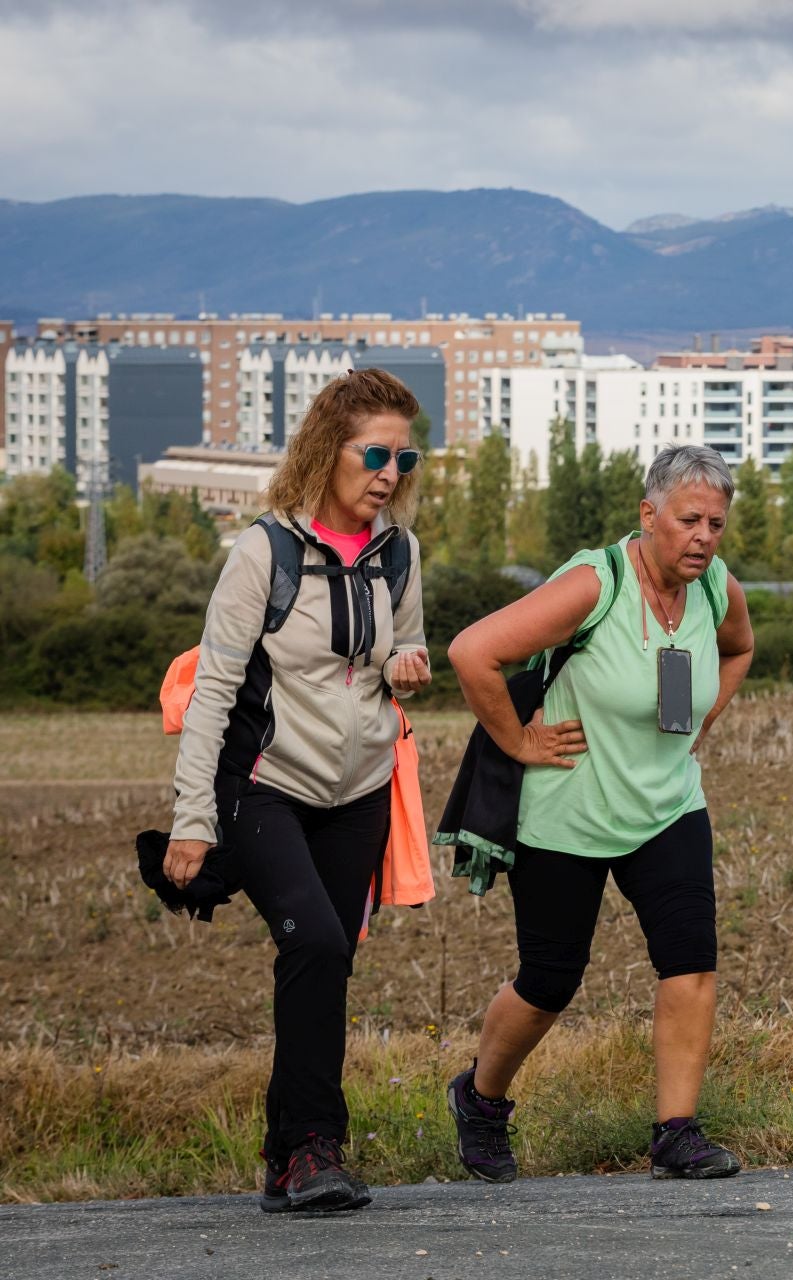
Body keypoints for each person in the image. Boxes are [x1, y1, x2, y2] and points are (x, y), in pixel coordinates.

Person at [444, 443, 755, 1183]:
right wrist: (518, 741)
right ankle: (480, 1099)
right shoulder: (597, 583)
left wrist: (703, 720)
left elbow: (739, 649)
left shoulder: (715, 589)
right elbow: (471, 652)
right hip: (569, 812)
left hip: (669, 805)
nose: (704, 538)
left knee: (691, 963)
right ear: (648, 514)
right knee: (550, 980)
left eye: (715, 524)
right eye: (688, 520)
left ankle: (676, 1133)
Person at [165, 368, 431, 1213]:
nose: (390, 473)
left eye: (404, 458)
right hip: (266, 787)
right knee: (314, 943)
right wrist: (193, 818)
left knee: (325, 960)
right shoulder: (264, 552)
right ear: (327, 449)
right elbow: (212, 693)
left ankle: (288, 1158)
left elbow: (403, 648)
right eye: (376, 454)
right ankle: (317, 1146)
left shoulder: (399, 554)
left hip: (361, 792)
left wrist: (409, 665)